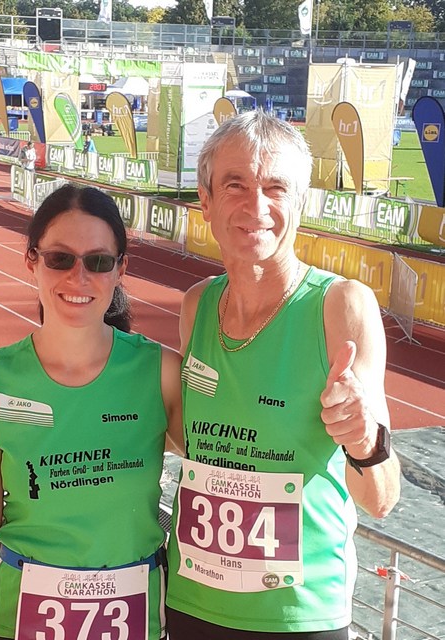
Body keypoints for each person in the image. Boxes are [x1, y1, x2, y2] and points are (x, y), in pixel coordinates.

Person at [0, 184, 183, 640]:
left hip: (135, 617)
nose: (78, 277)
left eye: (98, 261)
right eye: (60, 258)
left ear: (121, 268)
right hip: (22, 617)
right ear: (32, 260)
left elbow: (218, 460)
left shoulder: (159, 371)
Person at [165, 111, 401, 639]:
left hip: (299, 617)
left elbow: (381, 499)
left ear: (300, 202)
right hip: (190, 601)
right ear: (205, 201)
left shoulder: (342, 306)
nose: (256, 207)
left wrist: (364, 439)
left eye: (276, 187)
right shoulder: (197, 305)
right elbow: (190, 440)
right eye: (235, 185)